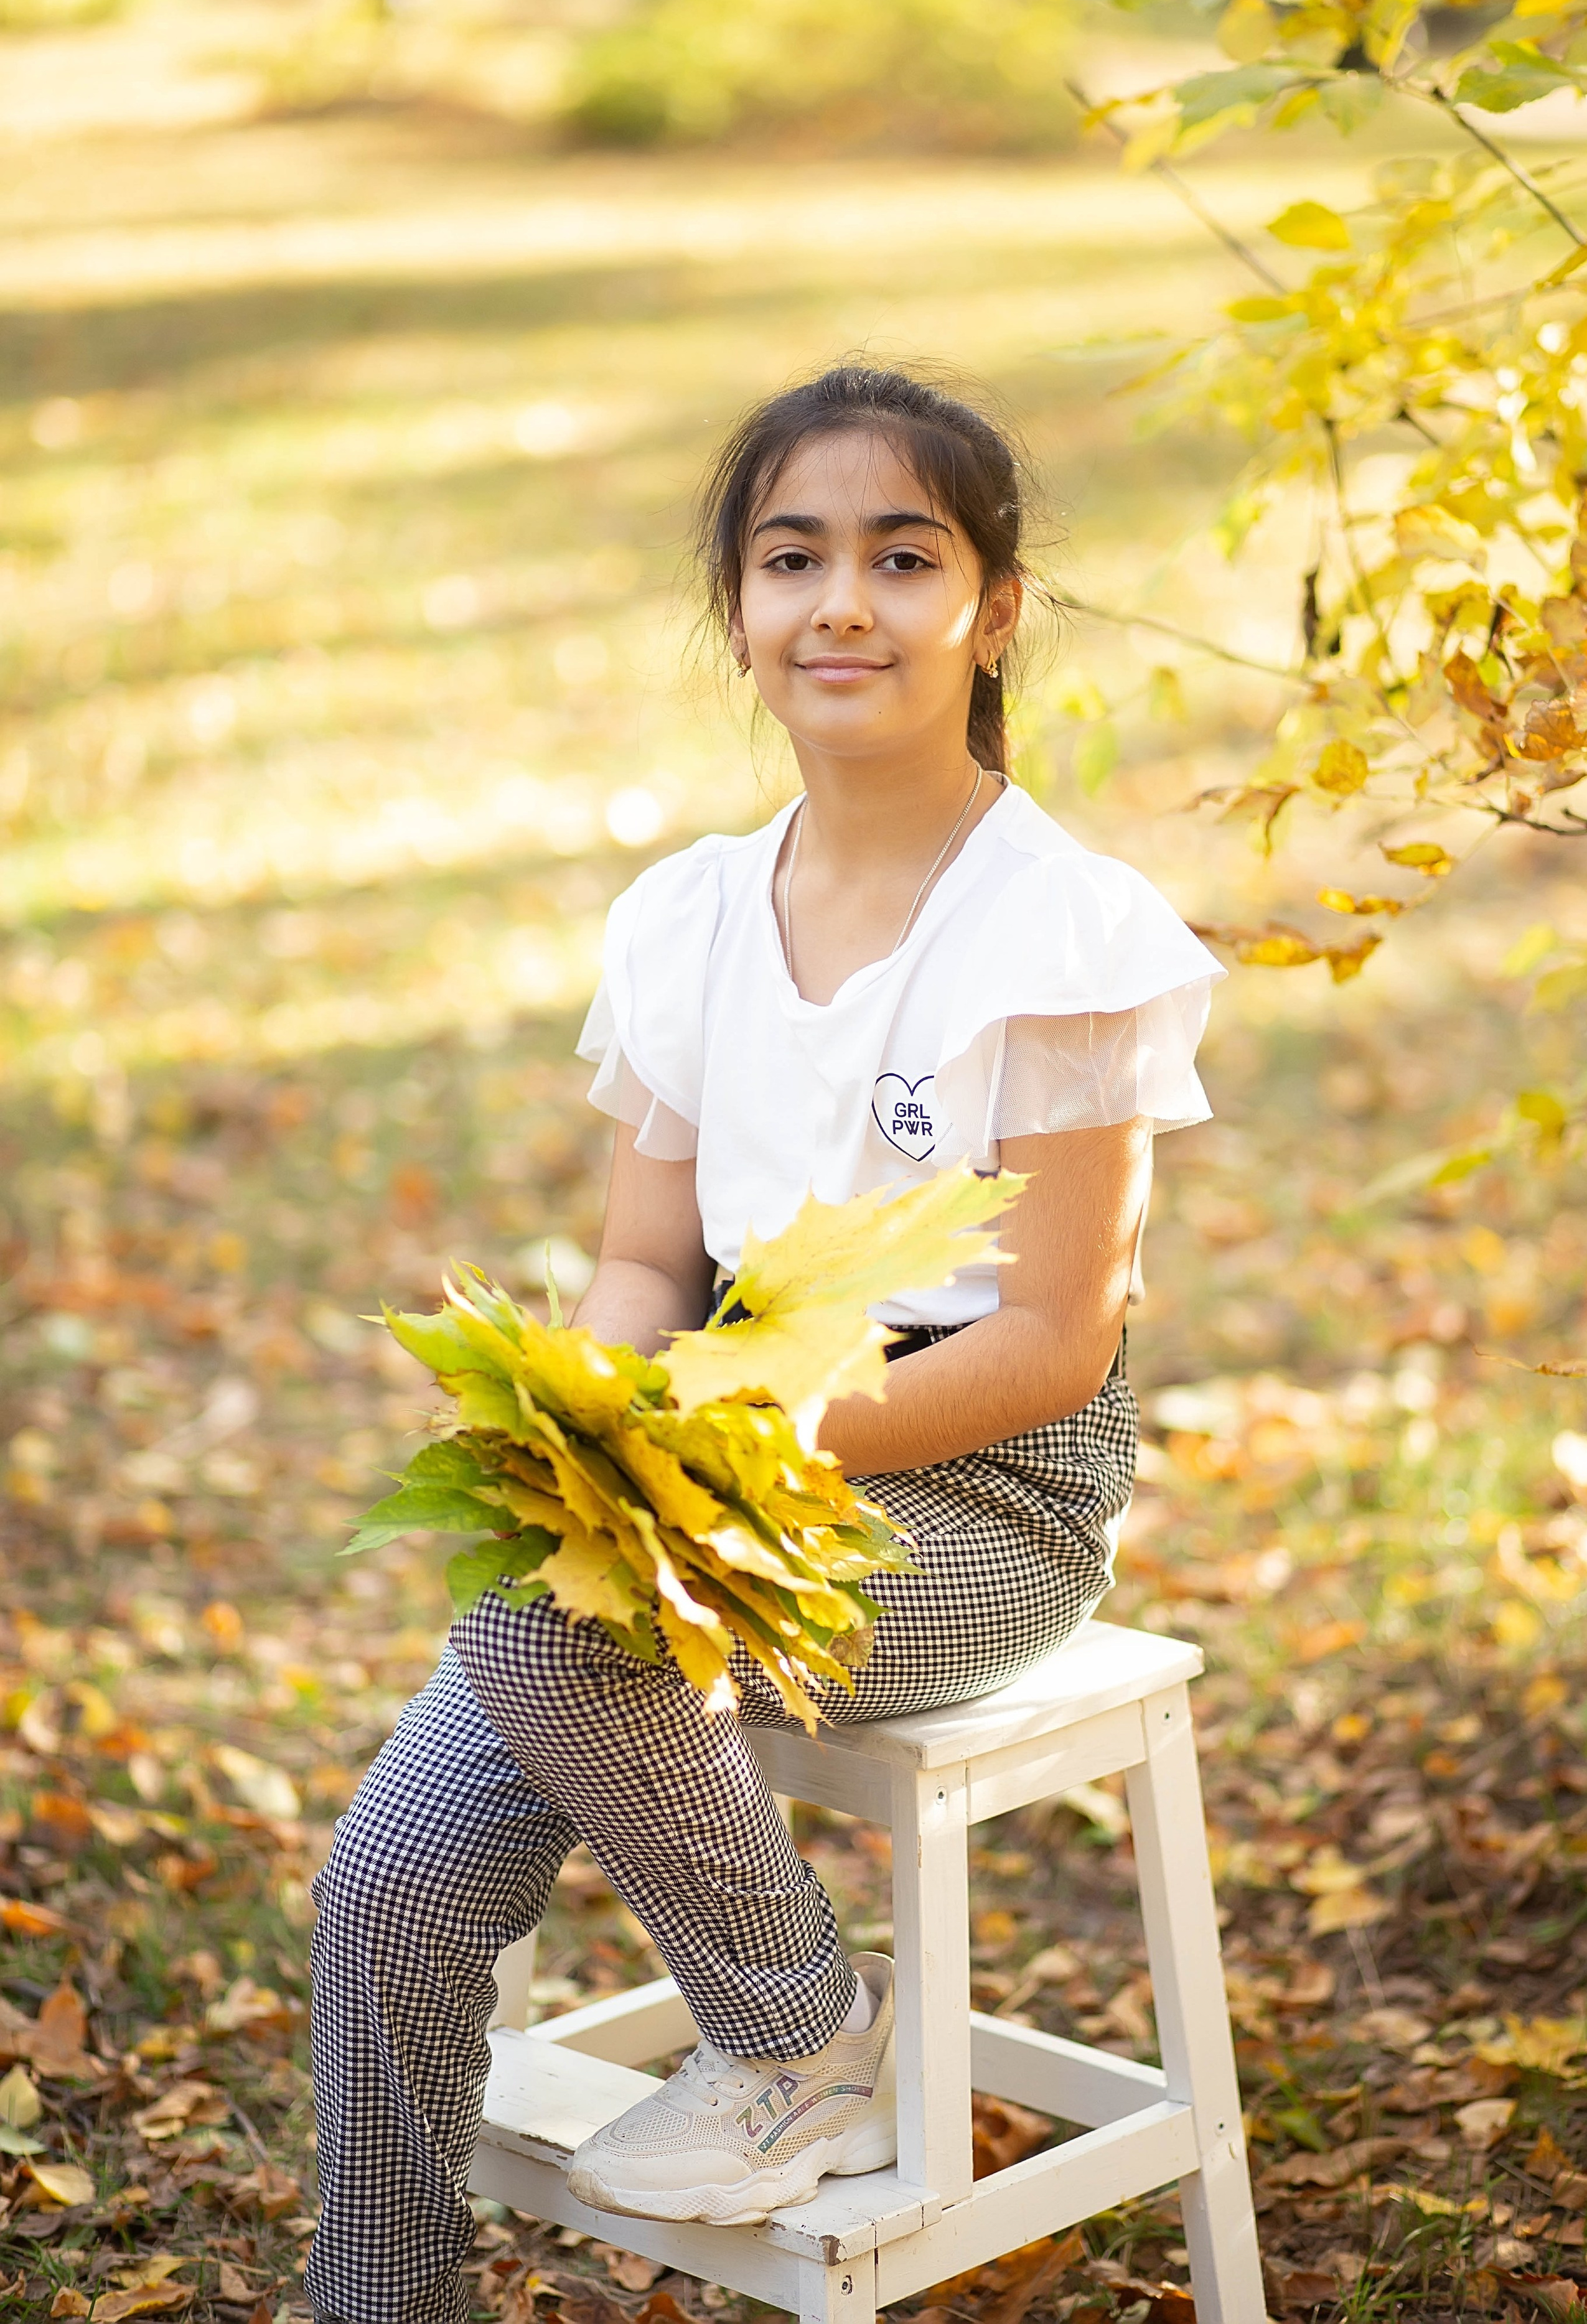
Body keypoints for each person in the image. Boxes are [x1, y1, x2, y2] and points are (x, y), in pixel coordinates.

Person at [305, 362, 1222, 2324]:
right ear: (736, 603)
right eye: (792, 556)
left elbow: (1061, 1336)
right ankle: (380, 2291)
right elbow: (647, 1260)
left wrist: (748, 1469)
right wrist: (595, 1424)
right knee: (384, 1888)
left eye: (905, 557)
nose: (844, 606)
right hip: (710, 1466)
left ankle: (801, 2033)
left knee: (555, 1618)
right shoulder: (690, 920)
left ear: (992, 605)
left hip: (971, 1490)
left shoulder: (1064, 928)